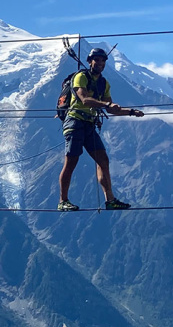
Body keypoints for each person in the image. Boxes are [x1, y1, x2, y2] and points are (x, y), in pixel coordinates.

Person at [58, 47, 144, 211]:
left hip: (89, 124)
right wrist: (106, 104)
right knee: (71, 161)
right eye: (96, 60)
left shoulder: (104, 83)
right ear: (90, 61)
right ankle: (63, 201)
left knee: (103, 160)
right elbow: (84, 99)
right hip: (74, 122)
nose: (100, 63)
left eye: (103, 60)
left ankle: (110, 200)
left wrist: (131, 112)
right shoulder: (80, 77)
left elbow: (111, 108)